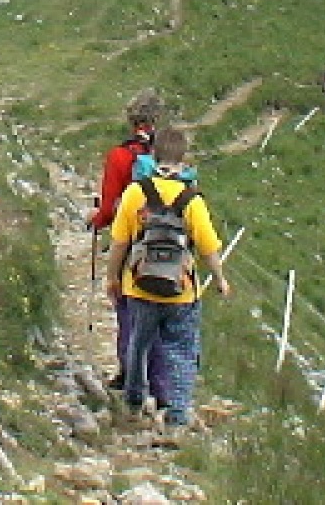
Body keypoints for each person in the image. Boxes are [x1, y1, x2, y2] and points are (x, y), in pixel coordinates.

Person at [106, 125, 230, 433]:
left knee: (139, 343)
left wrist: (113, 278)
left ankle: (134, 404)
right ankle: (175, 417)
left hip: (139, 285)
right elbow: (208, 247)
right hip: (181, 291)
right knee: (182, 351)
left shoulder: (136, 193)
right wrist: (220, 279)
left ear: (153, 154)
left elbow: (119, 242)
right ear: (184, 158)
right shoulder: (192, 199)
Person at [88, 90, 169, 400]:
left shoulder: (120, 156)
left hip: (132, 247)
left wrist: (95, 221)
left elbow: (109, 210)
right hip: (168, 246)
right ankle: (164, 388)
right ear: (157, 120)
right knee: (163, 313)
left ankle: (131, 379)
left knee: (128, 311)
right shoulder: (169, 157)